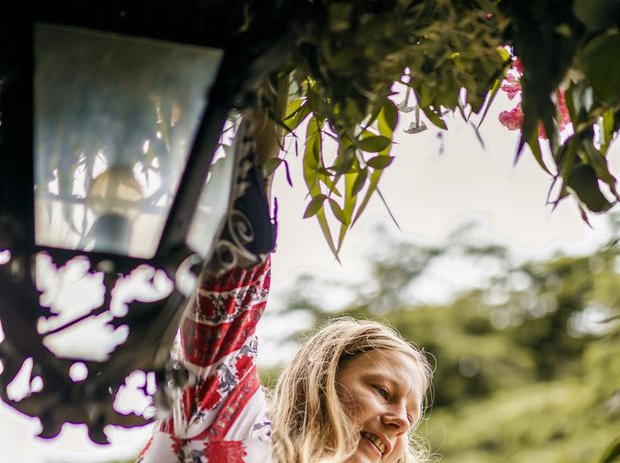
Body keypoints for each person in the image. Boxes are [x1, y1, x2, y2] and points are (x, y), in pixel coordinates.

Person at [136, 111, 433, 463]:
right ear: (320, 382)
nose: (400, 421)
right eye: (382, 391)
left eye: (411, 418)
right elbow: (232, 284)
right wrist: (269, 113)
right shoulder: (236, 427)